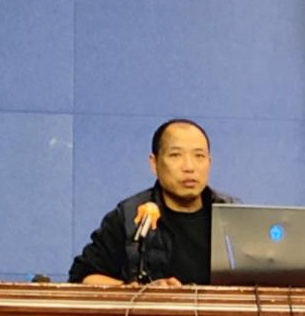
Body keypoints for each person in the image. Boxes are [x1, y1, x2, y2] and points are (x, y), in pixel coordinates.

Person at [69, 119, 235, 286]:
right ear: (154, 163)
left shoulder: (232, 216)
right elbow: (83, 277)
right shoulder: (130, 217)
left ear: (209, 163)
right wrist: (140, 292)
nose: (189, 167)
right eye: (175, 155)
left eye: (199, 156)